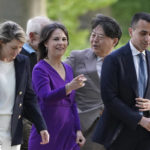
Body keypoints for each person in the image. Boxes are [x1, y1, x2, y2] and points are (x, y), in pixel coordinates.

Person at [92, 12, 150, 150]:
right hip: (119, 133)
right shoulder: (113, 59)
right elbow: (109, 98)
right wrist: (139, 120)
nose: (148, 38)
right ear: (131, 31)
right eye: (143, 33)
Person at [65, 14, 122, 150]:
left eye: (100, 37)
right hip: (82, 126)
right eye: (93, 35)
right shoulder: (77, 57)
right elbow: (56, 78)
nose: (94, 40)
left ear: (114, 41)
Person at [28, 22, 86, 150]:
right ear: (45, 43)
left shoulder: (68, 69)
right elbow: (45, 97)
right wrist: (69, 87)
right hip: (46, 135)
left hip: (69, 135)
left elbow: (72, 104)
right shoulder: (40, 69)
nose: (61, 43)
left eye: (64, 39)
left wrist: (78, 130)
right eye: (56, 39)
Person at [0, 21, 49, 150]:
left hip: (13, 129)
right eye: (14, 47)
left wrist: (41, 126)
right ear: (1, 42)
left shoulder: (22, 62)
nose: (17, 52)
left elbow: (29, 96)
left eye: (21, 47)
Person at [20, 16, 52, 150]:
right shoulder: (19, 57)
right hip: (26, 122)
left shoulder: (47, 57)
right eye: (47, 37)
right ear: (32, 36)